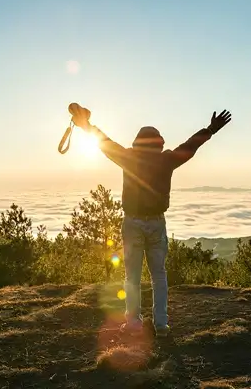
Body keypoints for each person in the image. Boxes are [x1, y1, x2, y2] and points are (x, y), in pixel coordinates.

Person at [70, 105, 232, 337]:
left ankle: (134, 323)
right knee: (159, 275)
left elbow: (104, 142)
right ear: (159, 143)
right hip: (157, 223)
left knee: (132, 277)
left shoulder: (127, 157)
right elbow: (190, 146)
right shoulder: (166, 160)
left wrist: (86, 125)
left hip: (132, 223)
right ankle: (162, 324)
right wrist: (210, 130)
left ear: (137, 143)